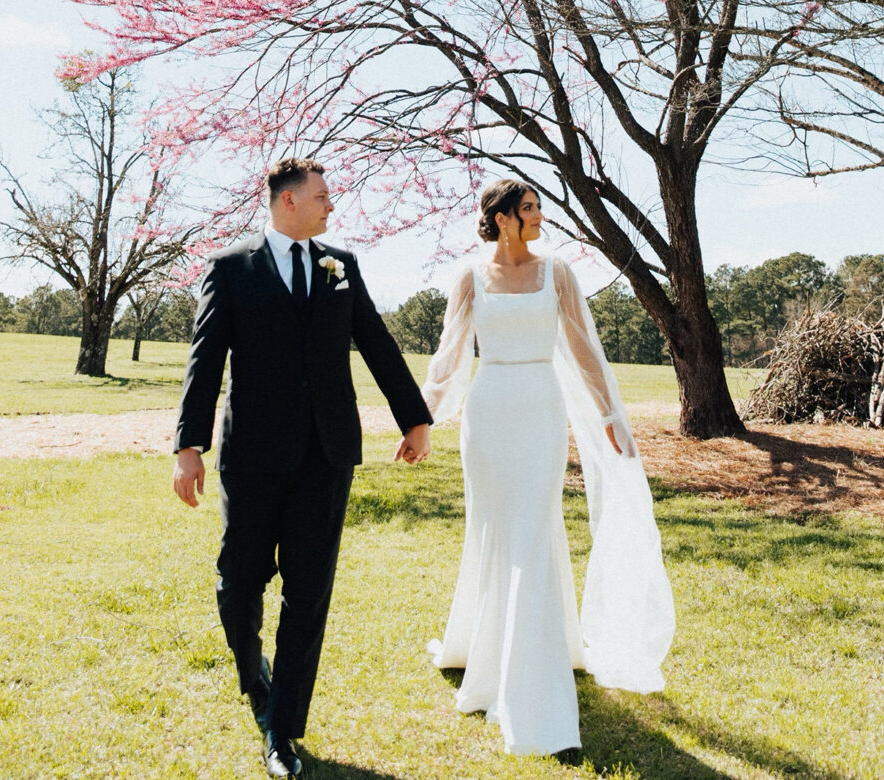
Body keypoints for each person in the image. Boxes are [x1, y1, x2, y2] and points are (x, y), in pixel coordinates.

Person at [173, 158, 433, 778]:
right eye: (322, 196)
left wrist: (413, 418)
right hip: (253, 457)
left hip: (327, 453)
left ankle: (283, 733)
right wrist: (189, 446)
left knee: (308, 594)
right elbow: (204, 360)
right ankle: (250, 669)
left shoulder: (341, 266)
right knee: (239, 581)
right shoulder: (230, 269)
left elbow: (375, 340)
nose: (330, 206)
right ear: (288, 202)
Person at [416, 179, 675, 756]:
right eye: (529, 208)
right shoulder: (468, 277)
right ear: (502, 218)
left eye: (536, 207)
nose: (538, 216)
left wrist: (610, 413)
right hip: (488, 415)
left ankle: (537, 688)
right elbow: (450, 356)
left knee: (535, 532)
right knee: (494, 531)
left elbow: (583, 345)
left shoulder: (556, 272)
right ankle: (487, 652)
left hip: (540, 409)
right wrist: (423, 420)